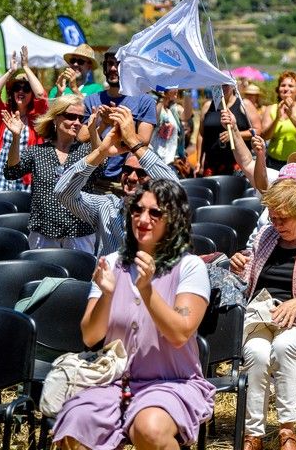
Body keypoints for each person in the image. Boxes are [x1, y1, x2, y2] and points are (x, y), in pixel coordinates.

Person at [52, 178, 215, 450]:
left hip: (171, 383)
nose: (143, 219)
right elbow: (91, 336)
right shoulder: (112, 263)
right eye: (137, 210)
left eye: (155, 213)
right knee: (75, 426)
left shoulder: (190, 267)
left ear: (173, 219)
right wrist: (106, 294)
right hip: (114, 382)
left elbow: (179, 334)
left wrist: (148, 290)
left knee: (148, 428)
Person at [230, 178, 296, 450]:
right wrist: (238, 265)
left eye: (283, 220)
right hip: (262, 315)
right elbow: (248, 281)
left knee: (284, 346)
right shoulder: (267, 235)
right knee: (255, 352)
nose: (276, 225)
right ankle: (253, 433)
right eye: (273, 218)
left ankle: (287, 430)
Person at [54, 105, 179, 256]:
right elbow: (62, 192)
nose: (132, 178)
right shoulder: (106, 206)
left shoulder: (162, 212)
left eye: (141, 173)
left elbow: (176, 191)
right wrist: (101, 152)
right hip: (109, 278)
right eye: (127, 170)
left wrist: (133, 142)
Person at [3, 94, 101, 253]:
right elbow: (12, 172)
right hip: (43, 233)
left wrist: (93, 132)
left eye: (80, 118)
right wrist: (16, 137)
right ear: (55, 118)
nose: (76, 122)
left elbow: (101, 167)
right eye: (70, 116)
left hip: (79, 233)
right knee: (42, 278)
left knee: (80, 277)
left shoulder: (86, 152)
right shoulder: (37, 152)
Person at [77, 44, 156, 194]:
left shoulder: (145, 101)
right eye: (110, 64)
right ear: (104, 68)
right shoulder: (91, 101)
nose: (113, 68)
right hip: (93, 182)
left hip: (127, 183)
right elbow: (82, 137)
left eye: (119, 64)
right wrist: (103, 124)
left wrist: (118, 125)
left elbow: (143, 141)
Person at [0, 46, 47, 191]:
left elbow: (41, 95)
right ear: (11, 92)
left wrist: (25, 67)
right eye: (17, 87)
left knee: (23, 212)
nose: (21, 91)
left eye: (26, 88)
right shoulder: (5, 114)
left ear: (31, 94)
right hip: (0, 171)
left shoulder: (36, 117)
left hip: (25, 175)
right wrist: (11, 71)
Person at [194, 84, 262, 176]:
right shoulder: (208, 106)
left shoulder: (244, 104)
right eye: (219, 85)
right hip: (211, 164)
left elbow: (257, 130)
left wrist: (234, 134)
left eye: (225, 85)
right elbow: (201, 135)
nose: (222, 88)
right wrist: (198, 161)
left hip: (237, 164)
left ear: (233, 86)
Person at [262, 70, 296, 171]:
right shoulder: (270, 109)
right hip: (274, 162)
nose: (286, 88)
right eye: (283, 85)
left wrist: (291, 116)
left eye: (291, 86)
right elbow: (265, 136)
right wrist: (277, 118)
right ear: (278, 89)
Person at [150, 88, 193, 177]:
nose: (177, 89)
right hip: (158, 162)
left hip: (172, 163)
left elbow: (187, 115)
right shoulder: (155, 105)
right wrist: (161, 98)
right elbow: (154, 120)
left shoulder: (172, 109)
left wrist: (187, 92)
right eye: (173, 87)